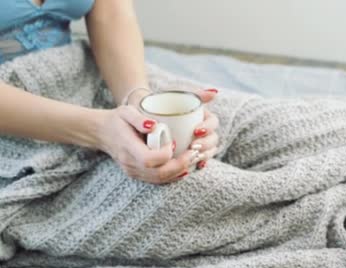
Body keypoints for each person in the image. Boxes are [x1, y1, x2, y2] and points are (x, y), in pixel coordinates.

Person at [0, 0, 220, 184]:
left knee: (245, 121)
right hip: (17, 123)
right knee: (198, 188)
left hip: (83, 72)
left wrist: (138, 102)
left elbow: (111, 13)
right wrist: (99, 131)